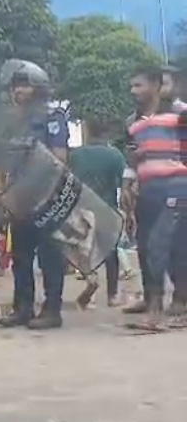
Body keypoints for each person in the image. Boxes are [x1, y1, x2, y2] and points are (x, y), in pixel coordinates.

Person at [0, 60, 69, 330]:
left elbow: (59, 158)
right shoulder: (13, 122)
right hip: (20, 198)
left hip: (46, 197)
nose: (18, 91)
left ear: (39, 87)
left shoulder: (53, 116)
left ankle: (52, 310)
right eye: (15, 85)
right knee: (21, 256)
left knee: (50, 256)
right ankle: (23, 308)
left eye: (24, 85)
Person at [126, 65, 187, 315]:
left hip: (176, 187)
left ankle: (174, 301)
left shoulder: (180, 114)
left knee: (173, 244)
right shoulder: (132, 123)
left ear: (155, 86)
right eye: (131, 86)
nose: (133, 91)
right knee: (145, 243)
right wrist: (129, 178)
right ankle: (156, 299)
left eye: (138, 85)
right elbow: (131, 157)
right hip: (147, 190)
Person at [69, 126, 127, 309]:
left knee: (84, 251)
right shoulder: (115, 156)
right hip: (107, 208)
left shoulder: (76, 155)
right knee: (110, 252)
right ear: (106, 133)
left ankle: (91, 283)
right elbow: (124, 183)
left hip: (82, 208)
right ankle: (112, 296)